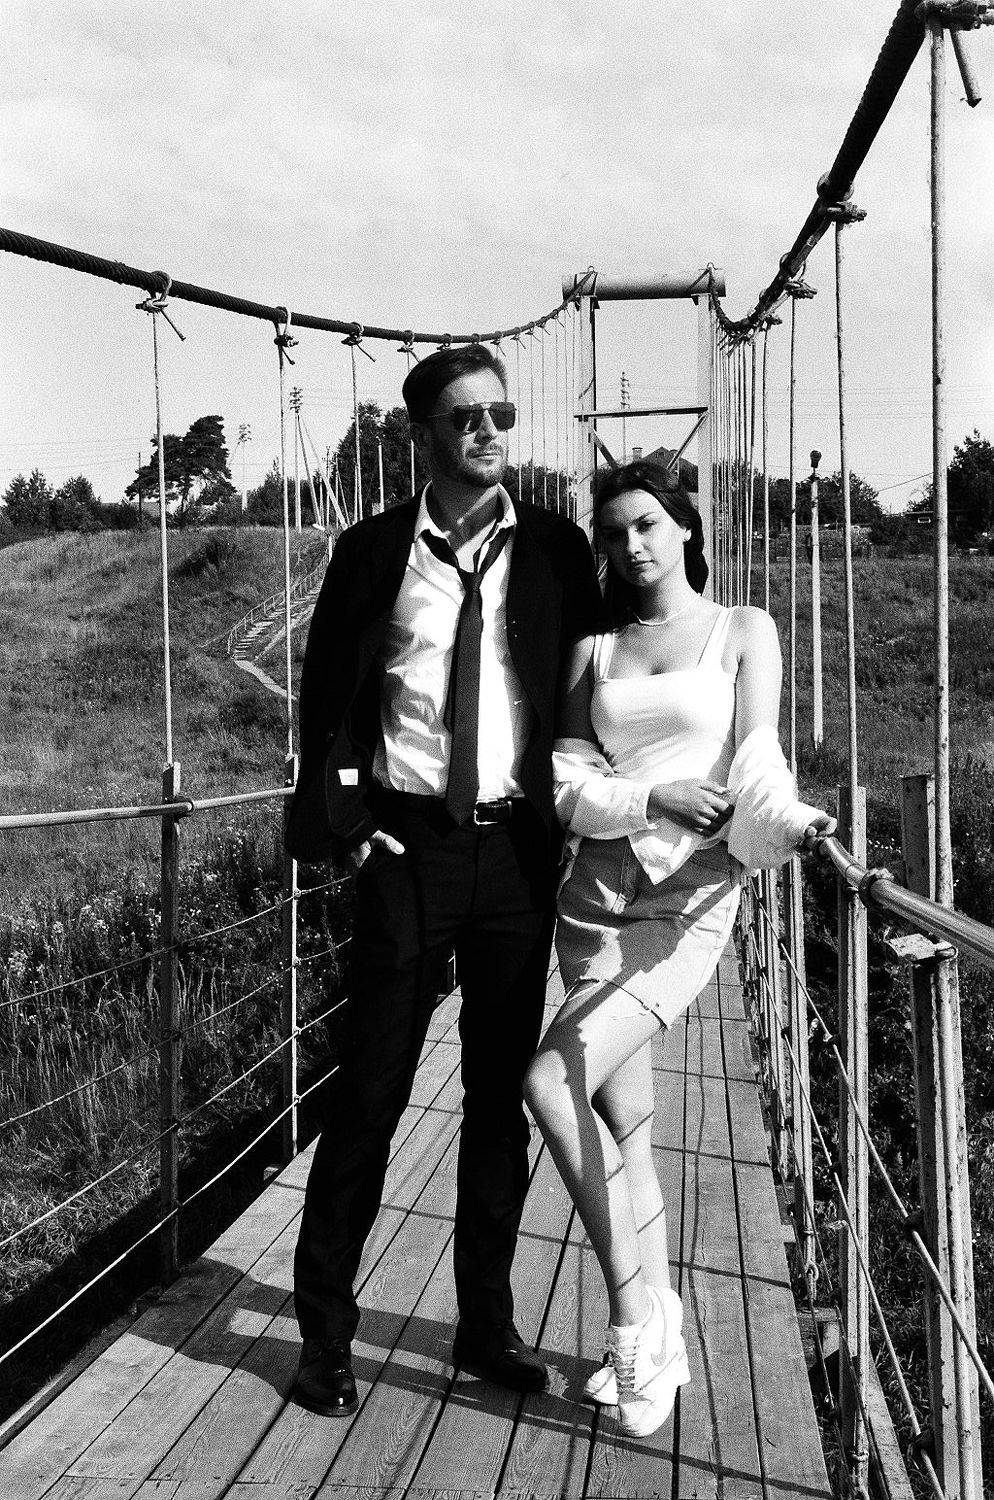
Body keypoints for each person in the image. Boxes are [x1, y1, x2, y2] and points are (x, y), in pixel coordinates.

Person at [285, 343, 601, 1417]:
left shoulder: (557, 548)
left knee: (497, 1104)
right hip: (408, 849)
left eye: (499, 413)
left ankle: (485, 1328)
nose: (488, 432)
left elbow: (604, 681)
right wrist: (347, 826)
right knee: (369, 1094)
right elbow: (327, 698)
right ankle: (324, 1339)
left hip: (516, 855)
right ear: (421, 434)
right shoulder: (373, 551)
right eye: (464, 418)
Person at [523, 459, 835, 1439]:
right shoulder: (594, 650)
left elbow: (757, 758)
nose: (632, 545)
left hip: (687, 897)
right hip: (593, 896)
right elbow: (566, 786)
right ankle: (665, 1327)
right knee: (626, 1126)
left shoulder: (742, 628)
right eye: (614, 531)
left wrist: (789, 822)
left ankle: (631, 1323)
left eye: (648, 524)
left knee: (547, 1082)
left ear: (684, 526)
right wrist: (650, 794)